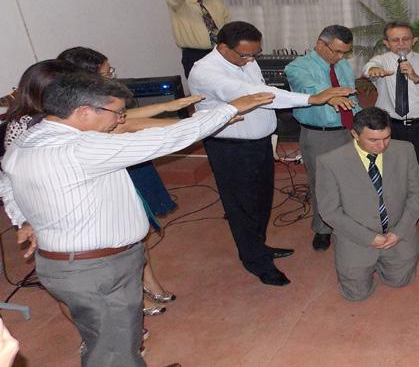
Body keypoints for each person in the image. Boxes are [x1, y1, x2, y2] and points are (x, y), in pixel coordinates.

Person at [0, 71, 273, 367]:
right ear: (83, 112)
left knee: (112, 341)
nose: (120, 121)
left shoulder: (29, 138)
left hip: (72, 265)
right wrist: (230, 107)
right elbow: (166, 139)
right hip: (96, 270)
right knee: (113, 352)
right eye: (117, 113)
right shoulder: (80, 149)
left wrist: (24, 219)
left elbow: (6, 180)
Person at [188, 21, 355, 286]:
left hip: (259, 143)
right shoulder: (206, 72)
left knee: (262, 200)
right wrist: (313, 98)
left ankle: (259, 247)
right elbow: (259, 95)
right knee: (242, 206)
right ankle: (256, 262)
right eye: (245, 55)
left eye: (254, 54)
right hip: (232, 148)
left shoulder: (247, 60)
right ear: (222, 48)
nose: (250, 60)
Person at [58, 46, 195, 312]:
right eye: (107, 73)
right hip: (107, 175)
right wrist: (194, 125)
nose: (112, 76)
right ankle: (135, 295)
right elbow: (126, 125)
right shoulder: (77, 108)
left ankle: (150, 281)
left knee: (138, 229)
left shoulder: (105, 98)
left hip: (129, 166)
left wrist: (168, 106)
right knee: (121, 240)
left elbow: (126, 118)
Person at [316, 107, 419, 301]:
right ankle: (360, 267)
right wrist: (368, 238)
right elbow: (330, 211)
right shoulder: (330, 162)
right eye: (373, 140)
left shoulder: (405, 150)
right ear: (354, 134)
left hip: (396, 230)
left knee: (400, 281)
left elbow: (417, 194)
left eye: (387, 137)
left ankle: (387, 263)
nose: (382, 145)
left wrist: (399, 232)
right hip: (356, 236)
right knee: (356, 295)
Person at [363, 22, 419, 231]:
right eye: (395, 40)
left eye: (405, 39)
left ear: (414, 40)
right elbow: (368, 69)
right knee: (392, 171)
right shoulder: (380, 61)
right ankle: (397, 212)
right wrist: (373, 70)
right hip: (391, 127)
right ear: (386, 43)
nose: (401, 44)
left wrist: (417, 78)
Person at [285, 25, 360, 251]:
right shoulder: (297, 67)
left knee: (351, 182)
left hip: (350, 130)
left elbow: (352, 96)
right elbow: (309, 87)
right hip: (320, 135)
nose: (340, 57)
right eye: (336, 52)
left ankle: (348, 225)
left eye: (344, 53)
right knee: (322, 185)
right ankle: (323, 229)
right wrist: (327, 96)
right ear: (320, 44)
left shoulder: (343, 65)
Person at [166, 0, 230, 77]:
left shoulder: (215, 3)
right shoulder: (179, 3)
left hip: (220, 52)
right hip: (194, 55)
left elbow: (228, 27)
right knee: (201, 91)